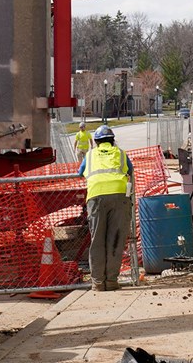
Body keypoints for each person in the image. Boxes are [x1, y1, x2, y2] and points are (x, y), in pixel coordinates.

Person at [78, 125, 134, 291]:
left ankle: (98, 283)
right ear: (112, 140)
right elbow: (130, 170)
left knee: (97, 241)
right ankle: (111, 281)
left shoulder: (90, 155)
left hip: (96, 198)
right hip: (119, 196)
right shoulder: (121, 153)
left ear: (95, 142)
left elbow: (80, 172)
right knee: (115, 239)